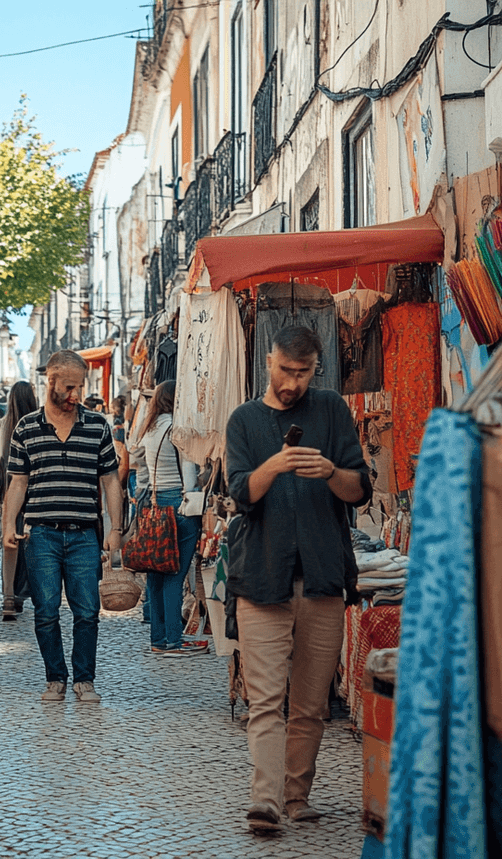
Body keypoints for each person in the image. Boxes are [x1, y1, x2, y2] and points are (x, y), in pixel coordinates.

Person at [224, 325, 371, 832]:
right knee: (265, 700)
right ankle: (264, 801)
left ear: (316, 369)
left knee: (311, 703)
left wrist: (330, 470)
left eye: (303, 373)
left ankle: (296, 796)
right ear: (269, 362)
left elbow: (359, 491)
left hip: (324, 577)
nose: (293, 383)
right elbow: (241, 493)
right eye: (286, 371)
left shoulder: (331, 409)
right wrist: (277, 465)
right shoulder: (244, 419)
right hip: (262, 577)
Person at [3, 350, 124, 703]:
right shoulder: (26, 428)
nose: (76, 395)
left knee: (87, 611)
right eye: (69, 386)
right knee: (45, 611)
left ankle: (84, 680)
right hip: (41, 533)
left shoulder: (97, 426)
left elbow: (111, 481)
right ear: (51, 381)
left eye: (80, 387)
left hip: (85, 533)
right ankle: (55, 677)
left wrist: (116, 528)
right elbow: (18, 482)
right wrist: (9, 523)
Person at [131, 380, 208, 657]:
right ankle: (174, 641)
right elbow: (188, 473)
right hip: (178, 502)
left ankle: (159, 638)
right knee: (175, 574)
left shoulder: (149, 428)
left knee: (156, 573)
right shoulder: (178, 429)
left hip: (153, 503)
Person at [0, 381, 37, 619]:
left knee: (10, 545)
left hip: (10, 493)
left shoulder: (1, 429)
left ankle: (9, 597)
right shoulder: (39, 425)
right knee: (33, 545)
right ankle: (26, 594)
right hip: (36, 497)